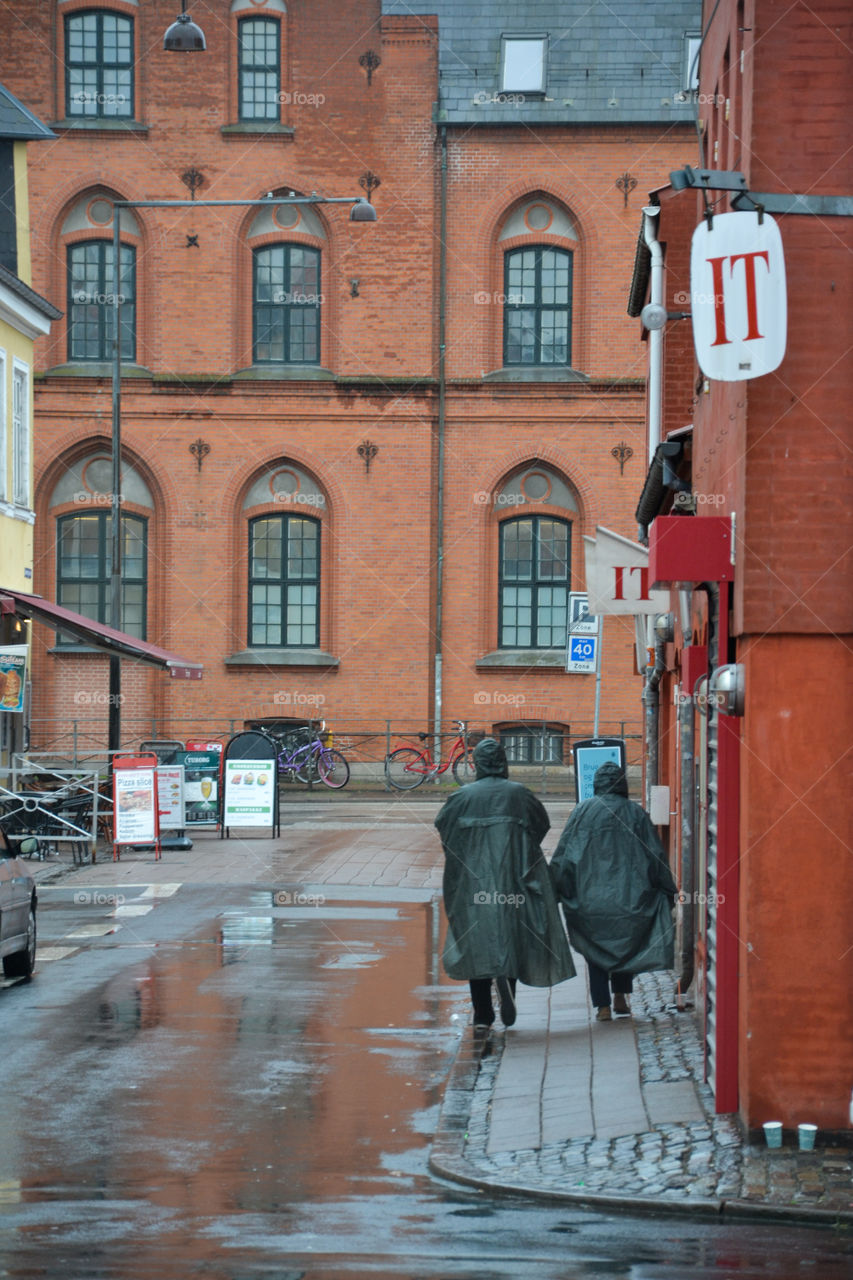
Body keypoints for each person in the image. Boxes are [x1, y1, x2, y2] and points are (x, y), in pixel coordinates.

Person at [435, 737, 574, 1029]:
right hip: (514, 877)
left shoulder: (461, 797)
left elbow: (445, 831)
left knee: (476, 940)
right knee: (511, 933)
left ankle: (483, 1014)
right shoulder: (520, 795)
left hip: (473, 881)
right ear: (503, 761)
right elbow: (540, 825)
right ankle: (508, 988)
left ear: (477, 764)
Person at [550, 761, 677, 1022]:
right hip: (629, 897)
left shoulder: (582, 812)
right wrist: (667, 888)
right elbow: (655, 855)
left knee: (596, 949)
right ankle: (620, 996)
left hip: (589, 899)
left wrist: (556, 889)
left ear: (597, 785)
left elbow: (564, 855)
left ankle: (602, 1006)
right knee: (624, 943)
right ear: (622, 785)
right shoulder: (635, 813)